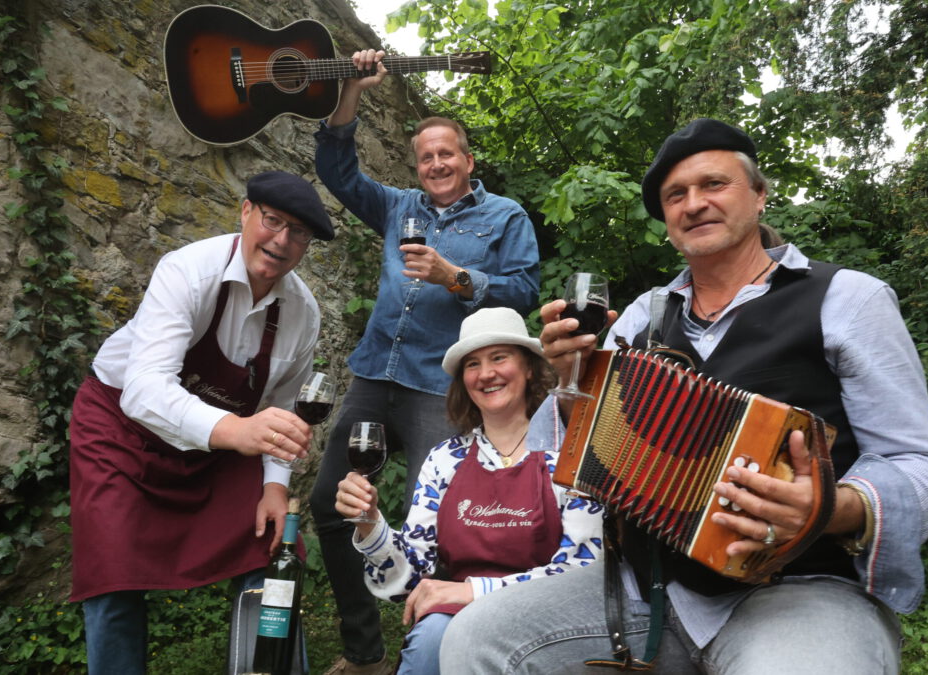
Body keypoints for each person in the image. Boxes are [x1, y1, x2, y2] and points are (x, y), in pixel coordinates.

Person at [440, 118, 928, 674]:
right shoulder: (639, 317)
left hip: (800, 588)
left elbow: (923, 465)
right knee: (476, 640)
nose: (694, 204)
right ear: (667, 222)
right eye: (676, 195)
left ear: (759, 195)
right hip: (646, 589)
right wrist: (572, 381)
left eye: (714, 184)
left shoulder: (848, 299)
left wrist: (832, 508)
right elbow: (571, 450)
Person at [311, 50, 541, 674]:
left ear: (468, 160)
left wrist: (455, 276)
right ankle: (365, 651)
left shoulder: (505, 216)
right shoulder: (398, 207)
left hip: (437, 387)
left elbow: (524, 291)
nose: (436, 164)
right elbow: (336, 170)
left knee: (438, 525)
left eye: (447, 154)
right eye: (426, 157)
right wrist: (352, 89)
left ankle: (434, 651)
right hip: (373, 374)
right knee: (330, 503)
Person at [68, 171, 334, 674]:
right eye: (272, 220)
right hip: (120, 430)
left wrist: (274, 487)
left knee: (274, 549)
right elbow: (144, 389)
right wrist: (238, 431)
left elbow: (281, 411)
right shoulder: (188, 271)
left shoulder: (303, 314)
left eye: (298, 232)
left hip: (218, 450)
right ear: (246, 212)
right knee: (112, 575)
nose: (281, 240)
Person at [334, 307, 604, 675]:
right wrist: (369, 524)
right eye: (473, 364)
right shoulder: (446, 459)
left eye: (499, 357)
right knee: (430, 639)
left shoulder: (570, 453)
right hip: (456, 614)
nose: (486, 373)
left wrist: (476, 591)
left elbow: (582, 570)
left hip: (550, 620)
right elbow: (409, 580)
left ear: (528, 367)